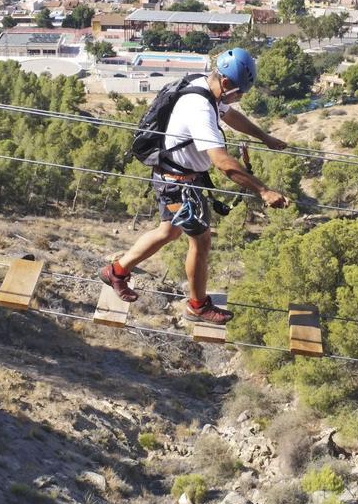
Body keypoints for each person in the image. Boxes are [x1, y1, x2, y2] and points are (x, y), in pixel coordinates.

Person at [99, 48, 290, 325]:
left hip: (176, 177)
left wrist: (264, 137)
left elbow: (229, 114)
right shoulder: (200, 107)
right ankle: (197, 306)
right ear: (225, 83)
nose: (240, 98)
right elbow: (223, 163)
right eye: (240, 93)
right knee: (201, 242)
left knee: (168, 231)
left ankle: (115, 272)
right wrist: (263, 190)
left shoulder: (204, 84)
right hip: (178, 184)